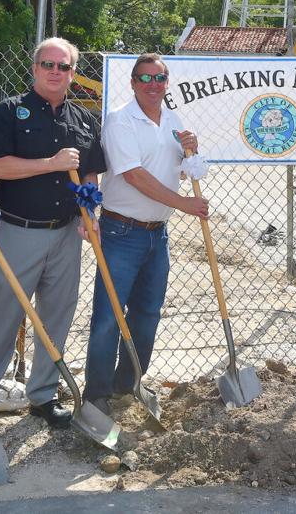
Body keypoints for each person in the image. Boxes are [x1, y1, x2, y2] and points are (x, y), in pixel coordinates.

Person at [0, 38, 106, 432]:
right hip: (17, 229)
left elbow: (91, 171)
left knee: (57, 316)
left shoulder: (82, 119)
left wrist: (88, 210)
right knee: (5, 316)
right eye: (48, 64)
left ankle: (43, 394)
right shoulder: (8, 112)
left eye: (64, 67)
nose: (55, 72)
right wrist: (52, 163)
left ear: (73, 73)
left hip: (65, 234)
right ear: (35, 68)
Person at [84, 53, 208, 415]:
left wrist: (191, 152)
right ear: (133, 83)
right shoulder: (121, 120)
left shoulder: (173, 120)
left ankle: (129, 383)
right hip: (121, 231)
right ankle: (97, 393)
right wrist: (183, 204)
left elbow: (179, 172)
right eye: (145, 78)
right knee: (109, 316)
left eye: (159, 78)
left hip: (158, 234)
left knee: (147, 313)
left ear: (167, 83)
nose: (153, 85)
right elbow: (134, 175)